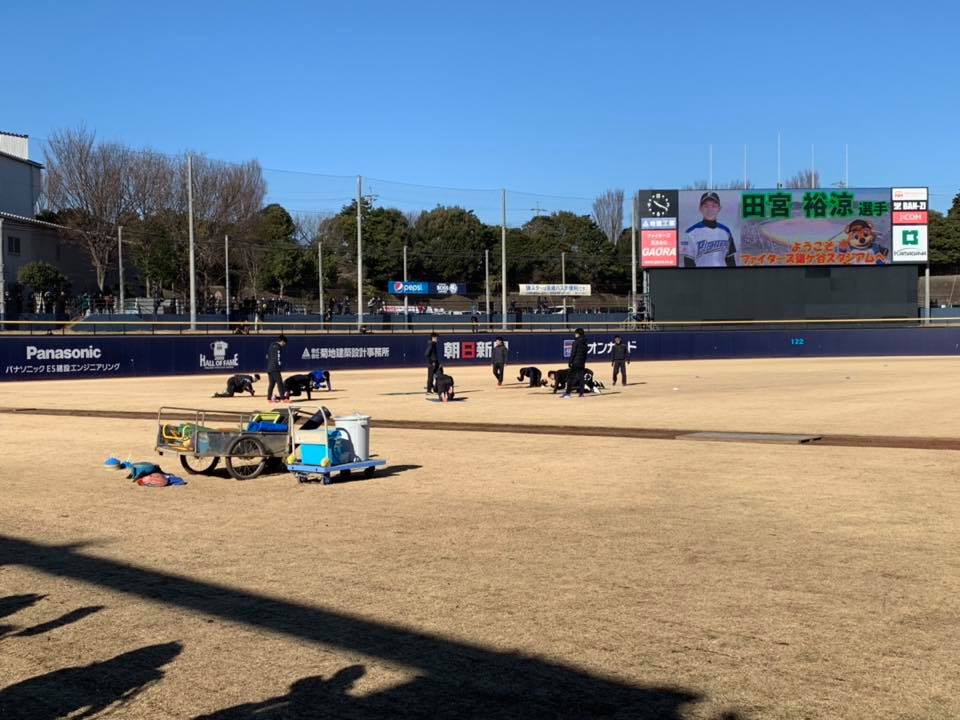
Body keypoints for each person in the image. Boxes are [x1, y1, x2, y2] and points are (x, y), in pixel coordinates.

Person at [680, 191, 738, 267]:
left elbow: (730, 259)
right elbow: (688, 263)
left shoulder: (726, 231)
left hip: (724, 277)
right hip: (701, 277)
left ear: (719, 208)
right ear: (700, 208)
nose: (710, 209)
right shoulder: (690, 233)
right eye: (706, 206)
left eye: (714, 206)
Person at [561, 327, 589, 399]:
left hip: (575, 362)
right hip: (582, 362)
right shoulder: (585, 343)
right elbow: (586, 354)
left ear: (578, 334)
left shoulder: (575, 342)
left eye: (576, 333)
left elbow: (573, 353)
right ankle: (581, 394)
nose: (575, 335)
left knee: (570, 377)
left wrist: (570, 361)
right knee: (581, 378)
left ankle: (568, 393)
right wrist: (583, 361)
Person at [266, 335, 287, 403]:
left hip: (269, 368)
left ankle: (269, 398)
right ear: (282, 341)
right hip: (275, 368)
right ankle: (283, 399)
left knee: (271, 384)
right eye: (285, 343)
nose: (284, 345)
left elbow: (267, 356)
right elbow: (278, 357)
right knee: (280, 383)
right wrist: (279, 365)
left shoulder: (271, 345)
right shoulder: (278, 347)